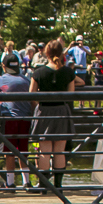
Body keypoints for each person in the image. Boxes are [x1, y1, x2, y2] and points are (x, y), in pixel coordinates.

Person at [29, 38, 82, 193]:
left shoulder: (38, 72)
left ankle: (43, 186)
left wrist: (38, 107)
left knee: (44, 151)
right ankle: (58, 186)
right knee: (59, 151)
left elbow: (31, 95)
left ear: (46, 53)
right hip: (61, 111)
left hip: (44, 110)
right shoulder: (68, 72)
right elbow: (70, 95)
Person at [0, 54, 33, 189]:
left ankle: (10, 182)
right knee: (23, 151)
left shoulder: (2, 79)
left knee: (9, 151)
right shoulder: (26, 79)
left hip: (9, 119)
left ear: (4, 66)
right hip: (26, 118)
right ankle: (26, 182)